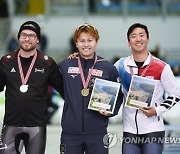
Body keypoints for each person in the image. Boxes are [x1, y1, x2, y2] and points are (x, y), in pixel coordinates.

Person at [114, 23, 180, 154]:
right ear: (129, 42)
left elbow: (176, 94)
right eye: (133, 36)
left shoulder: (162, 67)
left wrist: (157, 110)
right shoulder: (121, 65)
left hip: (153, 129)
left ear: (148, 40)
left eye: (141, 35)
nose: (138, 39)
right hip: (129, 130)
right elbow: (107, 82)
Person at [58, 23, 123, 154]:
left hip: (97, 132)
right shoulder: (65, 65)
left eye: (90, 40)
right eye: (82, 41)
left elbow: (118, 95)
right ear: (76, 43)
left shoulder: (107, 67)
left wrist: (111, 111)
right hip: (70, 133)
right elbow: (58, 86)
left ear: (96, 42)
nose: (86, 44)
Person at [0, 21, 63, 154]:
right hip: (11, 123)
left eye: (32, 35)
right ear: (18, 37)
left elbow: (64, 89)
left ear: (38, 39)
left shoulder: (47, 63)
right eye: (23, 35)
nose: (27, 38)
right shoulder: (6, 61)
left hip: (36, 125)